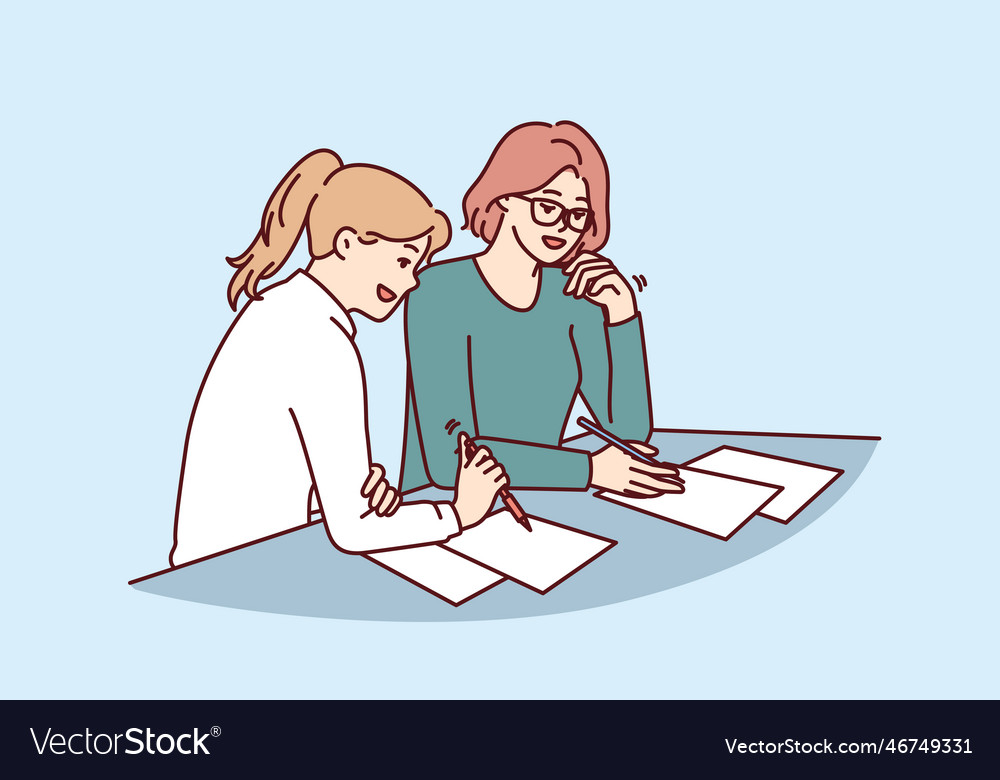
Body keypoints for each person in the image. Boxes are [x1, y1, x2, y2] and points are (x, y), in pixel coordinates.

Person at [170, 149, 508, 567]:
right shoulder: (319, 344)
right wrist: (459, 513)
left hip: (226, 554)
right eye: (403, 261)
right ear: (347, 243)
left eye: (418, 267)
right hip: (240, 566)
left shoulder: (282, 309)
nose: (410, 281)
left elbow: (270, 469)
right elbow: (353, 531)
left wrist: (338, 491)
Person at [401, 122, 682, 496]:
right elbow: (452, 458)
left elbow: (628, 435)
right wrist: (590, 470)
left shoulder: (572, 295)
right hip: (443, 508)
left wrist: (622, 315)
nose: (564, 227)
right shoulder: (438, 292)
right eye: (548, 206)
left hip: (545, 498)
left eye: (577, 214)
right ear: (504, 198)